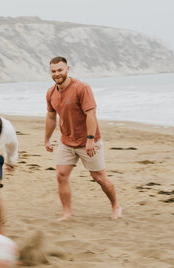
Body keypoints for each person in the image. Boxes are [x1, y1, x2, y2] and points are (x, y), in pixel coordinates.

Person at [44, 56, 121, 221]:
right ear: (50, 72)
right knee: (61, 176)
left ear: (67, 69)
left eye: (60, 70)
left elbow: (91, 114)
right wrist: (47, 139)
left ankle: (115, 205)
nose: (57, 74)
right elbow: (51, 117)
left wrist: (90, 139)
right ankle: (67, 213)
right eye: (53, 71)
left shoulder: (81, 88)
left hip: (88, 141)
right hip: (66, 142)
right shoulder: (51, 92)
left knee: (99, 177)